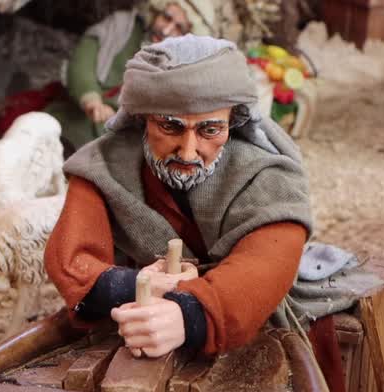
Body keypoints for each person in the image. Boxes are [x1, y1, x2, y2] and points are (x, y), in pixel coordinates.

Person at [44, 34, 313, 360]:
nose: (188, 152)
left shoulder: (263, 175)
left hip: (240, 325)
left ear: (233, 122)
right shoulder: (102, 168)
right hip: (126, 320)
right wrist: (137, 284)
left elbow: (268, 262)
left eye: (210, 130)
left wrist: (190, 313)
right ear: (143, 119)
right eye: (170, 127)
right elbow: (71, 260)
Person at [45, 0, 193, 153]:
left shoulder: (179, 74)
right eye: (166, 18)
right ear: (156, 12)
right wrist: (92, 101)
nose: (166, 30)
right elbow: (82, 63)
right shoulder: (121, 25)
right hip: (70, 124)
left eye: (179, 28)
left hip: (115, 151)